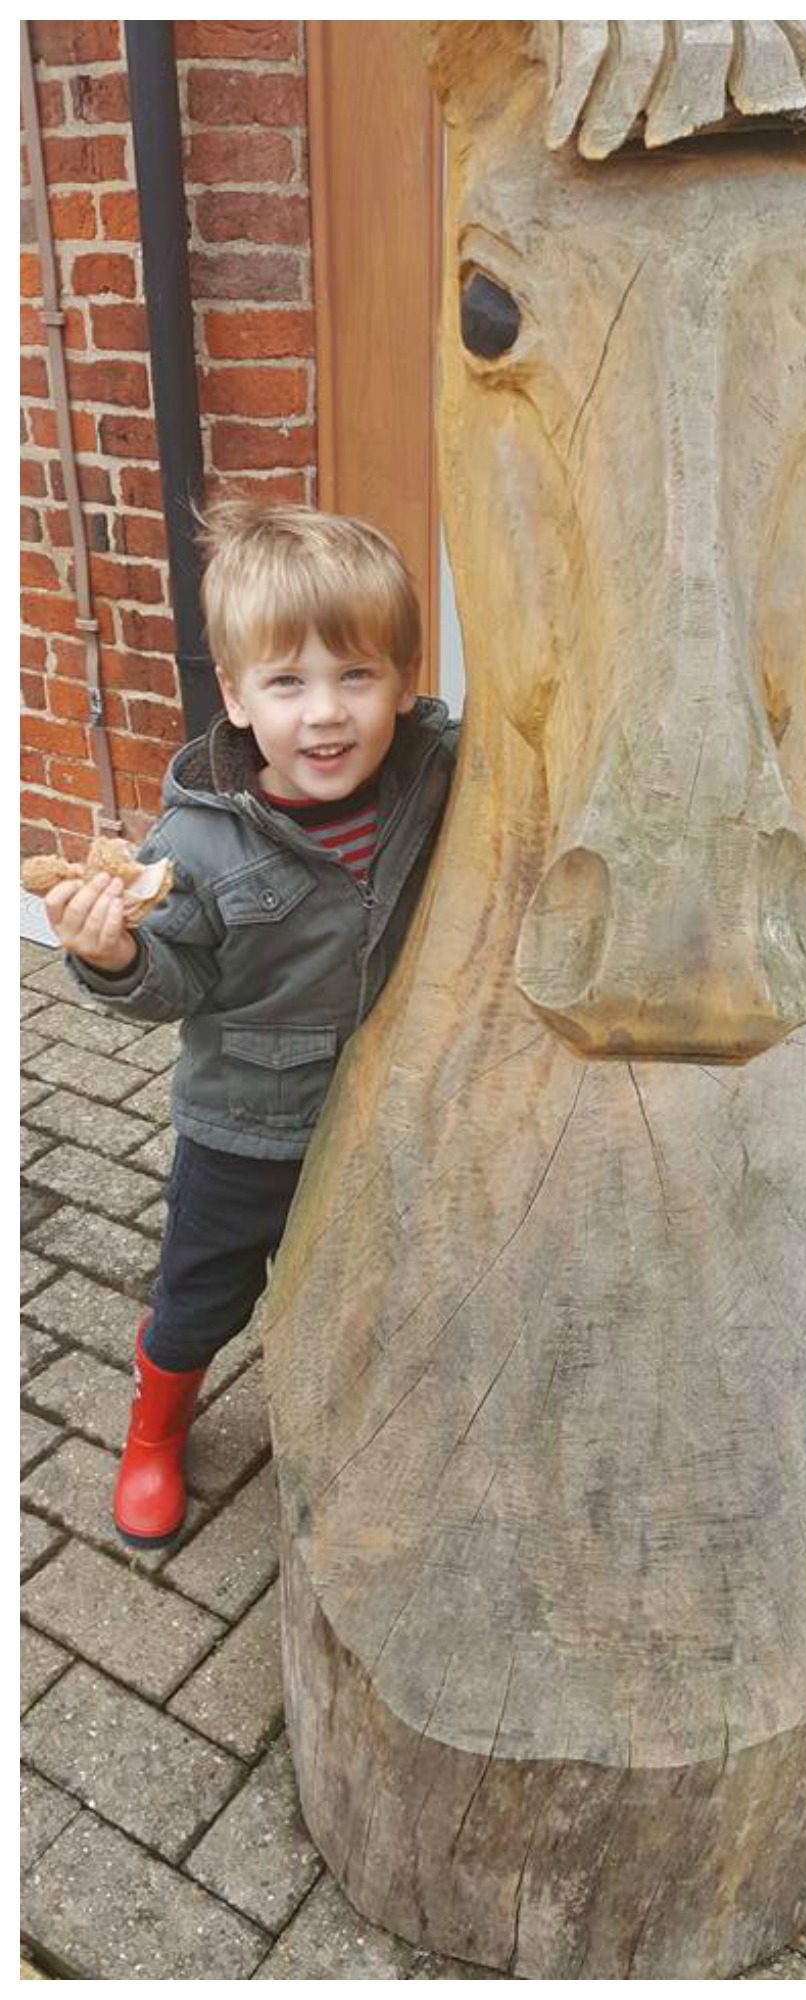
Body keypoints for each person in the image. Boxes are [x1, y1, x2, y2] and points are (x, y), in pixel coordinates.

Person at [42, 501, 456, 1551]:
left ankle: (362, 1419)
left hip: (381, 1114)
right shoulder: (196, 843)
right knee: (201, 1294)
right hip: (244, 1128)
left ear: (404, 680)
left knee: (370, 1283)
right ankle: (155, 1428)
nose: (326, 714)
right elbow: (172, 979)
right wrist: (113, 957)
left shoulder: (429, 778)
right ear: (234, 696)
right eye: (287, 682)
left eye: (355, 675)